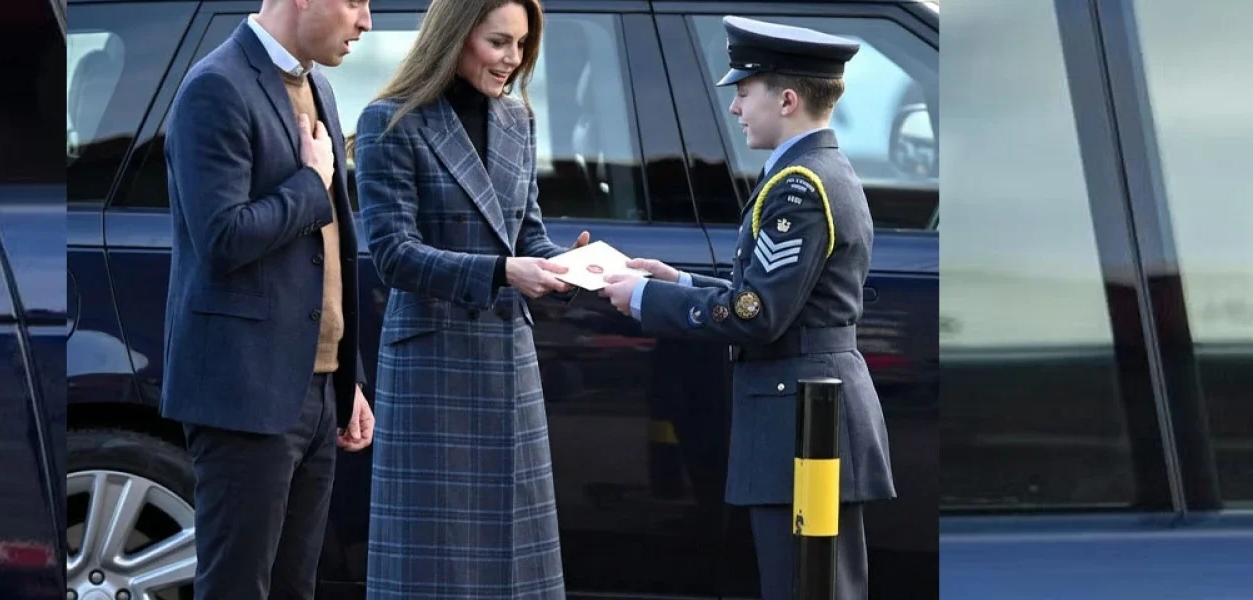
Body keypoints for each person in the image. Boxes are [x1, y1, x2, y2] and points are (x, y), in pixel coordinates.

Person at [598, 16, 896, 600]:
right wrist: (678, 278)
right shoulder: (817, 170)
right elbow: (776, 291)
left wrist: (643, 298)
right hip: (804, 416)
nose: (735, 107)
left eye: (742, 91)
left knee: (806, 587)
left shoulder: (800, 184)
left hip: (803, 428)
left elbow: (758, 314)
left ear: (786, 99)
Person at [352, 0, 590, 597]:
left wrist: (572, 264)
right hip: (432, 369)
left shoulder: (517, 121)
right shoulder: (390, 122)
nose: (512, 60)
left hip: (508, 362)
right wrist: (504, 272)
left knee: (519, 563)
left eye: (521, 46)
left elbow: (525, 231)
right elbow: (393, 255)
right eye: (498, 43)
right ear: (456, 37)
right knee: (431, 567)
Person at [157, 1, 374, 598]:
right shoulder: (215, 87)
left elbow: (334, 249)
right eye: (356, 1)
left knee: (292, 588)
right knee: (236, 588)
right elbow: (221, 239)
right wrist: (310, 184)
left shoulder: (317, 86)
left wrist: (346, 375)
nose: (366, 21)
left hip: (318, 387)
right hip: (244, 393)